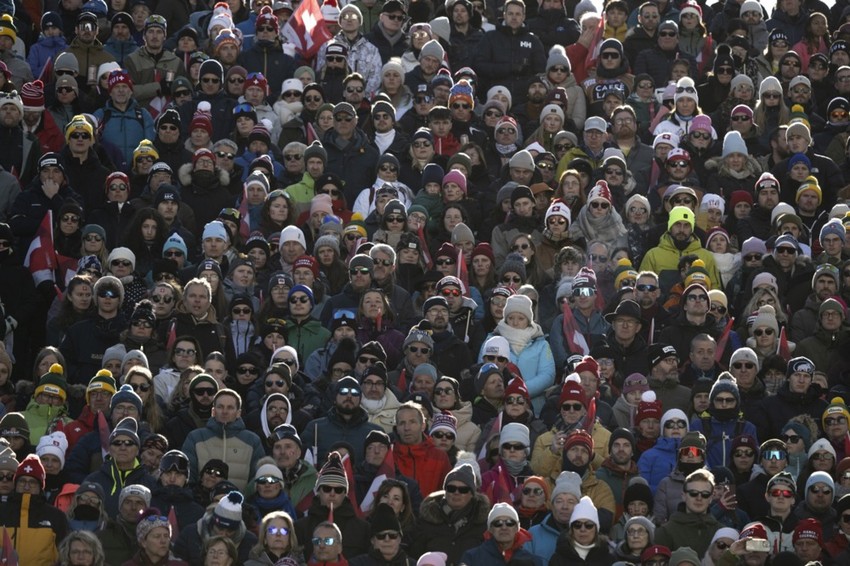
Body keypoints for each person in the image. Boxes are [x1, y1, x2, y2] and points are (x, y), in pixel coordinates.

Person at [181, 388, 265, 490]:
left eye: (230, 407)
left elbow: (256, 479)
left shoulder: (252, 441)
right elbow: (188, 476)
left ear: (238, 413)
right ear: (213, 411)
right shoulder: (195, 438)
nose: (225, 411)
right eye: (220, 407)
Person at [295, 451, 371, 560]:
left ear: (345, 493)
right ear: (318, 491)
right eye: (327, 488)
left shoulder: (363, 529)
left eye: (338, 490)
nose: (332, 493)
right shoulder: (301, 527)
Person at [411, 463, 489, 564]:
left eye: (463, 490)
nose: (456, 493)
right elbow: (414, 554)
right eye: (451, 488)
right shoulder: (427, 521)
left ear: (472, 494)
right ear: (445, 491)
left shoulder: (483, 524)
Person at [0, 454, 70, 565]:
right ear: (15, 484)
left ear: (40, 486)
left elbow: (65, 557)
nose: (26, 487)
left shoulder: (56, 516)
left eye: (32, 482)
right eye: (22, 481)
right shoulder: (2, 512)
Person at [655, 468, 723, 557]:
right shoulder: (666, 532)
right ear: (683, 496)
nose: (699, 498)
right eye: (693, 493)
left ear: (711, 498)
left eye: (705, 494)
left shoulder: (721, 532)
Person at [460, 502, 543, 566]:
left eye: (510, 523)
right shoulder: (472, 557)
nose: (504, 527)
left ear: (516, 528)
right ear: (490, 529)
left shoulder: (533, 561)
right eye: (498, 523)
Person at [548, 496, 615, 566]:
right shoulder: (558, 559)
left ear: (596, 529)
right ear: (572, 529)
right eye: (577, 525)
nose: (583, 529)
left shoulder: (608, 560)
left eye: (589, 525)